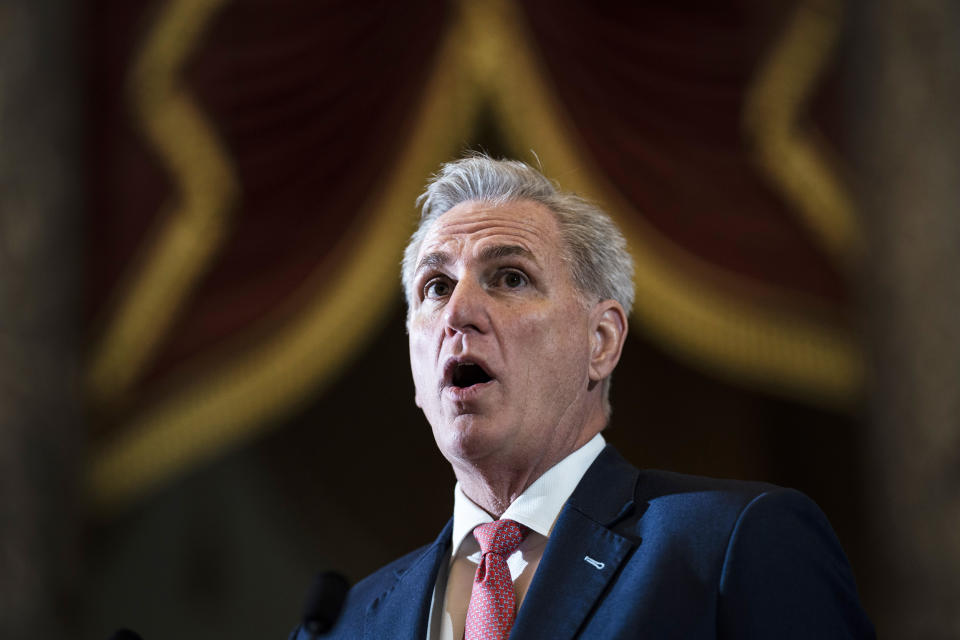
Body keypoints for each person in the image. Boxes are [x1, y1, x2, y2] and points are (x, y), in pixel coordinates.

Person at [289, 154, 875, 639]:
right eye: (436, 287)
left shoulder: (731, 544)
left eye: (510, 277)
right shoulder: (343, 623)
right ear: (416, 369)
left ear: (601, 342)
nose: (458, 313)